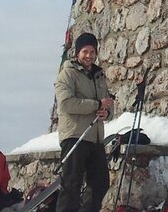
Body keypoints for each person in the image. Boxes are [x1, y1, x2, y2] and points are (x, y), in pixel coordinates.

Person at [54, 32, 113, 212]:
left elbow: (107, 102)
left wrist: (106, 113)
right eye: (85, 51)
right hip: (74, 136)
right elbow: (66, 104)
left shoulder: (98, 76)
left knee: (100, 183)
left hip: (95, 137)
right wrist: (96, 105)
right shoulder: (67, 75)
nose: (89, 55)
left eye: (92, 51)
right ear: (78, 53)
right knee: (71, 185)